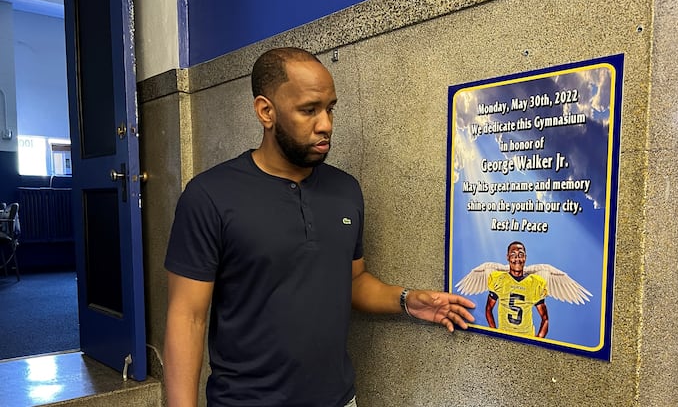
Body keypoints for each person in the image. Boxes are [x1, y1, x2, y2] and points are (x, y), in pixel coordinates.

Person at [163, 47, 476, 407]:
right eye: (309, 110)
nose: (325, 123)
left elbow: (353, 280)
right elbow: (188, 317)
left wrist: (406, 301)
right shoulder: (210, 196)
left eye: (330, 108)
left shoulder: (345, 190)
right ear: (266, 111)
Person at [484, 241, 549, 337]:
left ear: (525, 258)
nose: (517, 258)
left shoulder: (535, 283)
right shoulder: (499, 280)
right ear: (507, 257)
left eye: (520, 254)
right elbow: (489, 309)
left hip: (526, 338)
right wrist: (495, 334)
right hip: (505, 338)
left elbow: (545, 318)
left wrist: (537, 342)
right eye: (513, 254)